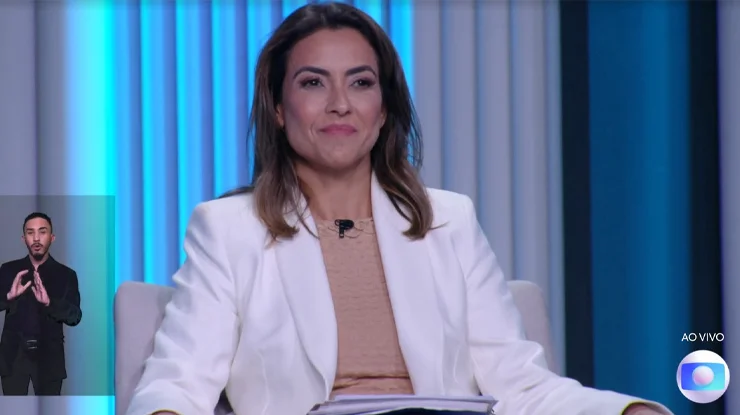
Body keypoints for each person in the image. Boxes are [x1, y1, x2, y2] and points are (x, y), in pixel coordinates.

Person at [127, 3, 671, 415]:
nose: (340, 104)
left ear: (384, 108)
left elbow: (521, 386)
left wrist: (627, 411)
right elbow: (178, 382)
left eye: (360, 83)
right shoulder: (228, 230)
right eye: (313, 83)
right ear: (277, 107)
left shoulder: (450, 221)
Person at [0, 212, 82, 395]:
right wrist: (8, 296)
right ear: (23, 239)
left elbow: (75, 316)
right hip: (13, 360)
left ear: (52, 237)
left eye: (42, 232)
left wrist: (49, 303)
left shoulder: (66, 275)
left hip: (49, 361)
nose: (36, 238)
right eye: (30, 232)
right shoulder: (8, 270)